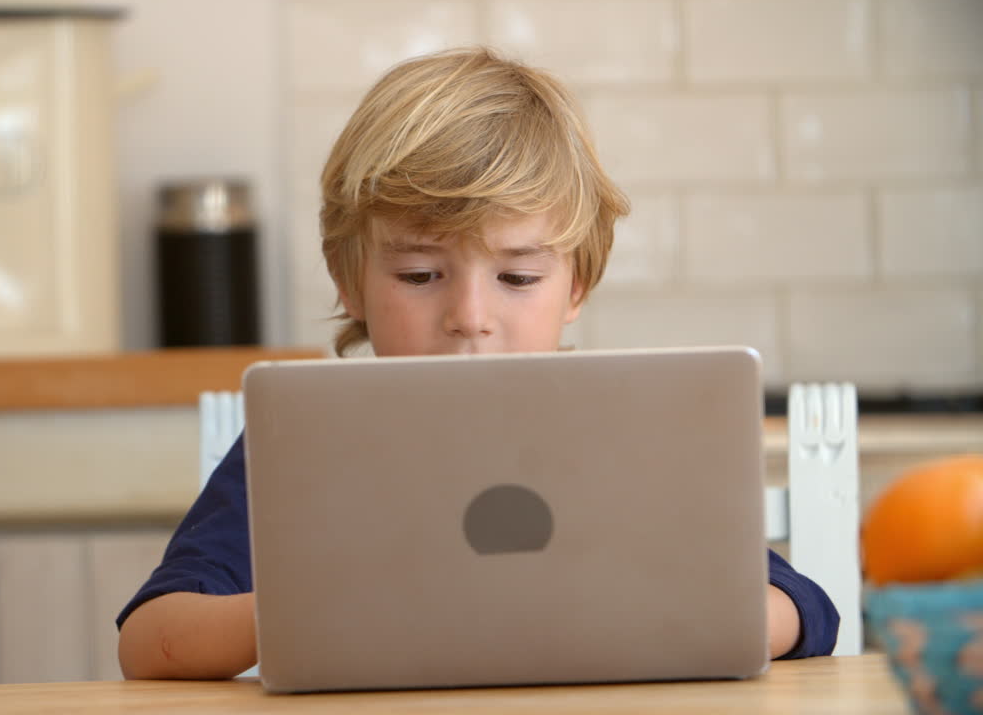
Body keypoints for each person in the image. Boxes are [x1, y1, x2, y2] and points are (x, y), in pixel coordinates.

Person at [117, 47, 840, 680]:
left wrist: (635, 611)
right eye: (420, 275)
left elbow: (802, 611)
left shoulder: (620, 441)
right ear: (349, 277)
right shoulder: (303, 446)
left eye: (518, 279)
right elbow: (152, 642)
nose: (470, 314)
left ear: (576, 285)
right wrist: (336, 609)